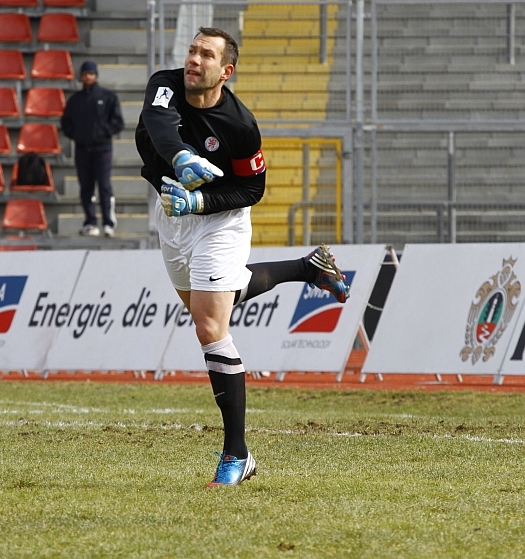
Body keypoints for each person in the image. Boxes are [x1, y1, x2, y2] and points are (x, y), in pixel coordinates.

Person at [135, 27, 350, 487]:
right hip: (171, 213)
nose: (194, 59)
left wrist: (200, 201)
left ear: (225, 71)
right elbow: (158, 126)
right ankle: (305, 268)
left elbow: (253, 188)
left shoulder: (240, 125)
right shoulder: (164, 84)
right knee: (205, 304)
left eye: (206, 55)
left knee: (210, 327)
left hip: (220, 221)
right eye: (192, 50)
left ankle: (238, 454)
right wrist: (181, 160)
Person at [61, 60, 123, 237]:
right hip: (82, 149)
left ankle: (108, 223)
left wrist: (103, 133)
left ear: (96, 75)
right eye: (85, 74)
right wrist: (77, 135)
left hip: (102, 149)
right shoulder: (75, 100)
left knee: (104, 186)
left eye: (91, 73)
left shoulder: (107, 97)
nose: (88, 77)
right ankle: (90, 222)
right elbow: (66, 122)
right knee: (86, 187)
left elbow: (118, 122)